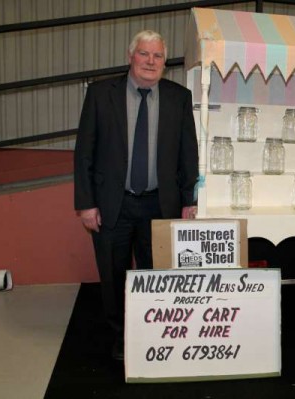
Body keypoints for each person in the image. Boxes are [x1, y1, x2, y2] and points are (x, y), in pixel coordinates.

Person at [73, 30, 199, 361]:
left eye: (158, 56)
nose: (151, 61)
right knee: (113, 276)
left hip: (160, 203)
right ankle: (121, 337)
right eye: (145, 54)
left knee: (155, 274)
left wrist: (189, 200)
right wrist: (86, 204)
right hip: (112, 204)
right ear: (131, 56)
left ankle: (152, 334)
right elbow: (84, 152)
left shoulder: (179, 97)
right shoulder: (101, 94)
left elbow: (189, 153)